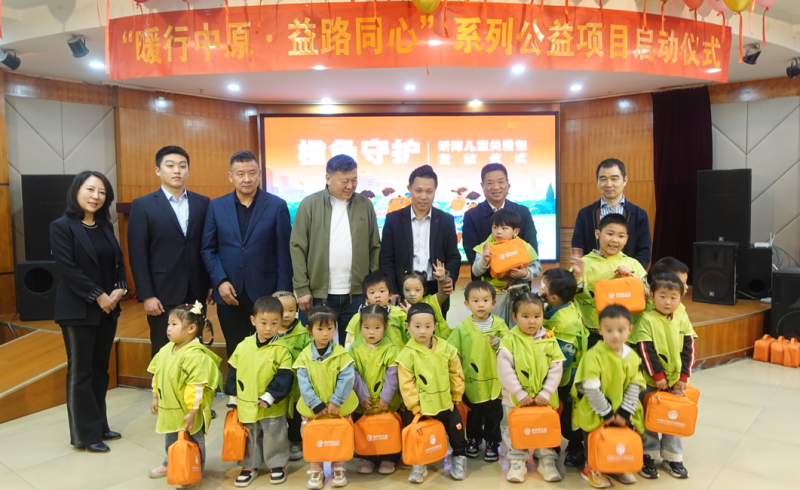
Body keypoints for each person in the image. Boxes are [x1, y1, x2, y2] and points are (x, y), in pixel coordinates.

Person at [50, 171, 128, 453]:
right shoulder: (61, 226)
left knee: (100, 370)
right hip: (77, 309)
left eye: (102, 192)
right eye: (90, 189)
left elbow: (118, 262)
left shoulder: (105, 226)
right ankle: (85, 434)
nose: (96, 196)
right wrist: (99, 295)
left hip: (108, 308)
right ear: (77, 191)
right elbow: (69, 269)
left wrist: (120, 288)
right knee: (81, 371)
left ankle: (100, 425)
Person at [201, 150, 292, 358]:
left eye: (252, 173)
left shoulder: (276, 205)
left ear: (259, 174)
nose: (247, 179)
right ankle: (237, 381)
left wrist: (283, 295)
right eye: (240, 174)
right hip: (229, 292)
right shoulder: (216, 206)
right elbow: (208, 248)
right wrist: (220, 281)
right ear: (230, 176)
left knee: (268, 351)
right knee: (235, 350)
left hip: (266, 292)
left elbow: (283, 254)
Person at [128, 146, 212, 358]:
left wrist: (210, 283)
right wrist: (147, 295)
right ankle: (163, 382)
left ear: (188, 171)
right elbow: (138, 254)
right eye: (170, 165)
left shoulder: (203, 203)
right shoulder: (142, 205)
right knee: (163, 348)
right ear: (158, 170)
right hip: (161, 292)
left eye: (182, 166)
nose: (177, 170)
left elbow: (208, 246)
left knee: (194, 346)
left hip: (196, 289)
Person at [290, 155, 381, 344]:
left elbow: (374, 247)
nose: (350, 186)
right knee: (318, 348)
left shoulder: (365, 205)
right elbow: (297, 248)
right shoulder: (309, 205)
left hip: (356, 295)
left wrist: (372, 288)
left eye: (354, 180)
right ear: (328, 178)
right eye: (344, 181)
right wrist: (302, 288)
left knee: (355, 347)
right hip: (318, 295)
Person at [629, 274, 696, 480]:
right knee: (647, 418)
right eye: (663, 296)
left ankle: (672, 457)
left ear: (681, 298)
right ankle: (647, 455)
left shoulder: (682, 319)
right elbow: (645, 350)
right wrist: (657, 376)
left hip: (676, 382)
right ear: (652, 296)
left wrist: (684, 376)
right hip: (650, 381)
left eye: (673, 297)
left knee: (673, 417)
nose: (668, 302)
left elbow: (689, 349)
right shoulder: (646, 320)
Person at [147, 302, 221, 486]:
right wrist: (155, 396)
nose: (168, 328)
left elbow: (196, 386)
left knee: (192, 440)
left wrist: (192, 412)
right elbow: (158, 373)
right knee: (171, 437)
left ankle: (192, 470)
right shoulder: (166, 349)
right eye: (168, 324)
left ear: (191, 328)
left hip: (189, 410)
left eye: (174, 324)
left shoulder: (196, 355)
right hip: (171, 407)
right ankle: (170, 462)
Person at [572, 305, 645, 489]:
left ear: (630, 329)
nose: (615, 335)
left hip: (623, 409)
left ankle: (617, 465)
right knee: (595, 438)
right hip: (596, 409)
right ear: (600, 329)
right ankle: (592, 468)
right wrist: (607, 413)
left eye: (621, 330)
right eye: (609, 330)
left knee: (621, 435)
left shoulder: (632, 356)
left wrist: (624, 413)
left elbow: (635, 385)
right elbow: (591, 388)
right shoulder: (593, 355)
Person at [224, 297, 293, 487]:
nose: (268, 328)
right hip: (247, 403)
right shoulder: (243, 346)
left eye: (274, 323)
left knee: (274, 435)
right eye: (263, 323)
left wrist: (270, 396)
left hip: (271, 405)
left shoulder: (282, 349)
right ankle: (249, 466)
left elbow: (284, 377)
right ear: (253, 321)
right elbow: (233, 372)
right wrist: (233, 398)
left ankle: (277, 465)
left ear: (281, 322)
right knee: (250, 436)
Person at [396, 303, 468, 483]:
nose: (422, 331)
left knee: (457, 432)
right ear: (408, 326)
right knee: (419, 437)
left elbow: (456, 372)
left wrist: (457, 394)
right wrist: (414, 405)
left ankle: (459, 457)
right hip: (421, 408)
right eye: (417, 326)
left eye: (427, 326)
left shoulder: (446, 348)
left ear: (435, 326)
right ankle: (419, 464)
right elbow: (406, 384)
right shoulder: (407, 354)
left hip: (446, 403)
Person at [497, 293, 564, 483]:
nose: (532, 321)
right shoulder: (509, 340)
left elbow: (556, 367)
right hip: (516, 399)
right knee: (515, 429)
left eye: (537, 316)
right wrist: (519, 393)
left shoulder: (549, 339)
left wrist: (546, 392)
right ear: (514, 316)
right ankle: (517, 461)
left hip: (544, 400)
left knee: (544, 428)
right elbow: (505, 370)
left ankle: (546, 460)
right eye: (525, 316)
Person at [379, 165, 461, 315]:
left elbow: (453, 256)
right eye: (418, 191)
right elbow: (386, 259)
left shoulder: (446, 220)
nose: (424, 196)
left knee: (435, 329)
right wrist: (392, 290)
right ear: (409, 189)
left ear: (435, 191)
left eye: (429, 191)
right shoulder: (394, 219)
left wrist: (449, 278)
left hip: (435, 290)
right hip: (403, 291)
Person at [293, 306, 359, 489]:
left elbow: (347, 379)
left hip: (338, 408)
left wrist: (336, 401)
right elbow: (303, 382)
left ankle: (338, 468)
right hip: (313, 409)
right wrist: (315, 404)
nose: (325, 333)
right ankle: (316, 470)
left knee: (338, 437)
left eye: (330, 328)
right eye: (320, 329)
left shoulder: (342, 354)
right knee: (315, 438)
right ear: (309, 330)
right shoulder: (304, 356)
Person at [447, 281, 509, 463]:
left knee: (494, 415)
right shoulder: (462, 328)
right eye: (475, 301)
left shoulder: (500, 325)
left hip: (494, 381)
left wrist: (499, 343)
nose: (481, 305)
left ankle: (492, 442)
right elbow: (451, 351)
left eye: (485, 300)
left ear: (493, 303)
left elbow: (511, 346)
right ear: (467, 304)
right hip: (471, 382)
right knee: (474, 415)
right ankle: (474, 439)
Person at [571, 213, 647, 348]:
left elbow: (647, 294)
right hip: (593, 329)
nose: (615, 240)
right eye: (610, 234)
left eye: (621, 236)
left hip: (626, 331)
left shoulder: (633, 264)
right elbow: (569, 294)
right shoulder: (584, 263)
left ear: (626, 239)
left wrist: (630, 279)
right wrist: (577, 276)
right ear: (597, 234)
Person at [350, 305, 402, 475]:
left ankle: (389, 457)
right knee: (366, 429)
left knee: (387, 429)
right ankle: (367, 457)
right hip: (363, 402)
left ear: (385, 328)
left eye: (377, 328)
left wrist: (386, 398)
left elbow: (392, 376)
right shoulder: (355, 349)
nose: (371, 332)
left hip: (385, 402)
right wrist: (362, 396)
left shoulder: (391, 349)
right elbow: (353, 374)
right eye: (366, 328)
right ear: (360, 328)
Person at [572, 158, 652, 269]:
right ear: (597, 181)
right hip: (594, 276)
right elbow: (579, 247)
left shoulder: (639, 215)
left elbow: (644, 252)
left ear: (625, 180)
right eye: (603, 179)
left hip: (628, 276)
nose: (609, 184)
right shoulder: (585, 214)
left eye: (614, 179)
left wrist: (629, 272)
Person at [463, 163, 539, 280]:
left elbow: (531, 248)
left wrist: (514, 275)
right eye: (490, 183)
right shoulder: (471, 215)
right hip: (484, 286)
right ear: (482, 185)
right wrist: (500, 275)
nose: (496, 187)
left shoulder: (522, 212)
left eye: (500, 182)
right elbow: (471, 252)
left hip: (518, 282)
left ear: (508, 184)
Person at [471, 209, 541, 325]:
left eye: (504, 228)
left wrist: (524, 273)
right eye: (495, 227)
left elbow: (537, 267)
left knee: (518, 325)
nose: (498, 232)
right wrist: (484, 261)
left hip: (519, 294)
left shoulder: (524, 247)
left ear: (515, 231)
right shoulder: (485, 247)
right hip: (494, 296)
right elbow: (476, 271)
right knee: (495, 325)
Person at [272, 291, 311, 462]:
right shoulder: (267, 333)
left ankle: (296, 440)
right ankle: (277, 444)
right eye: (282, 310)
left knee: (296, 416)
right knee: (277, 417)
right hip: (275, 386)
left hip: (296, 388)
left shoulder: (304, 334)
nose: (286, 315)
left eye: (291, 310)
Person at [343, 271, 408, 350]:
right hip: (365, 357)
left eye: (382, 291)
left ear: (390, 295)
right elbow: (349, 343)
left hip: (395, 356)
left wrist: (411, 317)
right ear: (366, 298)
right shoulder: (358, 317)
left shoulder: (400, 314)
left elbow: (412, 335)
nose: (377, 295)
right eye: (372, 292)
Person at [397, 267, 452, 337]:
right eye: (407, 290)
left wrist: (441, 278)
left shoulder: (431, 301)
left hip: (435, 342)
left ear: (424, 290)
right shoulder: (400, 309)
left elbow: (443, 293)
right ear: (402, 290)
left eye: (417, 290)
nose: (412, 294)